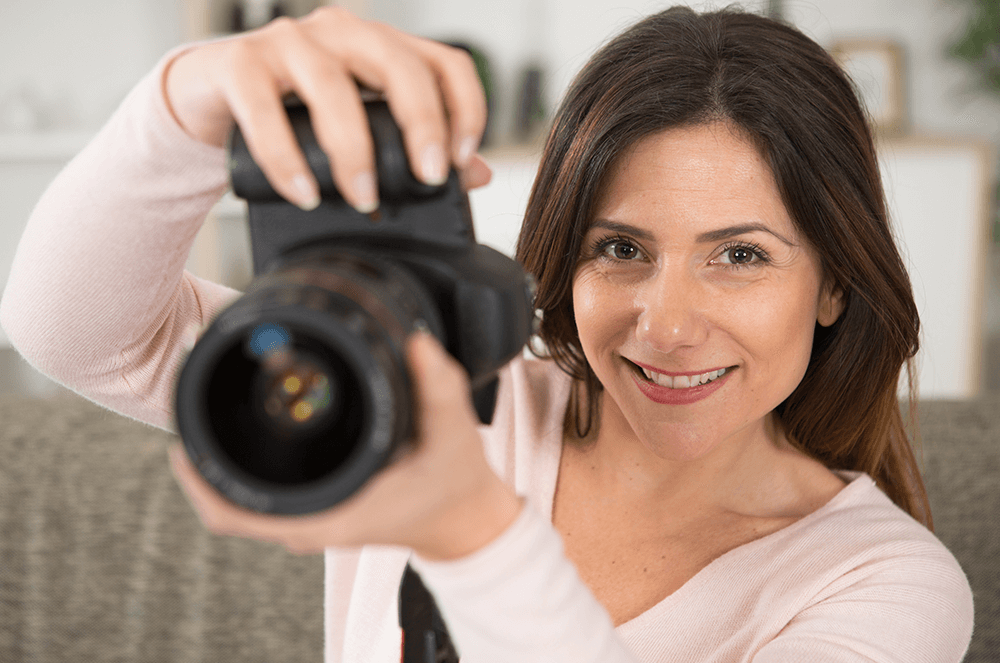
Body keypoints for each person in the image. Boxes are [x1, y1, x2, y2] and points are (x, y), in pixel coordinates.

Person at [0, 4, 974, 662]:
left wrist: (471, 536)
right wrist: (185, 107)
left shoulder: (884, 588)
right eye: (621, 248)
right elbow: (81, 335)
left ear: (834, 286)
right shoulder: (432, 385)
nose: (667, 322)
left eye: (742, 256)